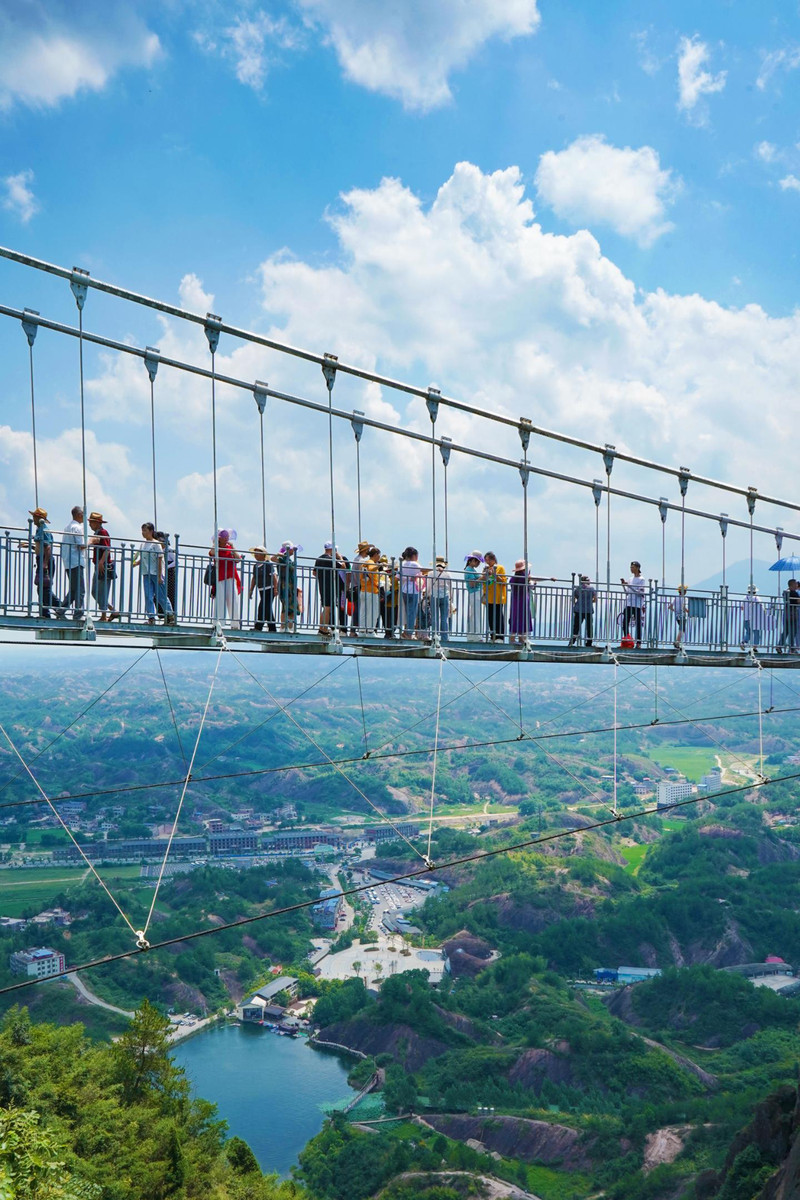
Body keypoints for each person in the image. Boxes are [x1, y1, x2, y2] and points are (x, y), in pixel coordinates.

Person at [134, 523, 175, 625]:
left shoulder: (156, 544)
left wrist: (160, 575)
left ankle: (170, 615)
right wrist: (136, 563)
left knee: (161, 596)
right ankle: (151, 617)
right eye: (142, 530)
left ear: (151, 531)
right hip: (146, 573)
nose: (143, 533)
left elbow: (159, 559)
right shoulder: (143, 544)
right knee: (148, 596)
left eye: (145, 530)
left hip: (156, 573)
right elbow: (143, 558)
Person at [29, 507, 61, 618]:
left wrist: (45, 563)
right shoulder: (40, 529)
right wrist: (31, 547)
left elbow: (48, 547)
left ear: (39, 518)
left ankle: (60, 607)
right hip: (42, 559)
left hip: (45, 560)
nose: (33, 518)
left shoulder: (43, 529)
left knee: (45, 589)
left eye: (35, 516)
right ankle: (45, 614)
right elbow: (42, 547)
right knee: (41, 589)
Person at [56, 506, 85, 620]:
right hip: (76, 562)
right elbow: (81, 545)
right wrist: (92, 541)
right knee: (80, 590)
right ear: (79, 515)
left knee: (73, 589)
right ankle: (78, 614)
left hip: (68, 562)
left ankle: (61, 610)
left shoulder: (67, 527)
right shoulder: (77, 528)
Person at [88, 511, 119, 622]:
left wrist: (101, 562)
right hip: (99, 564)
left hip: (103, 565)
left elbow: (107, 548)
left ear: (97, 523)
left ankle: (104, 615)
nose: (90, 524)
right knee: (95, 591)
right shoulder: (97, 533)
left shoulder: (103, 532)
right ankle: (112, 610)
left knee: (102, 591)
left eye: (91, 522)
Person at [208, 529, 241, 628]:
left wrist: (233, 548)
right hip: (220, 577)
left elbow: (238, 559)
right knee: (220, 601)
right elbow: (211, 553)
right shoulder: (216, 548)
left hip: (230, 576)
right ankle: (218, 623)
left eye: (227, 536)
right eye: (224, 536)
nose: (226, 538)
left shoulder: (230, 547)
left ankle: (235, 624)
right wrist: (215, 544)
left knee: (233, 600)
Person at [313, 541, 343, 636]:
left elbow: (314, 573)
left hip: (322, 585)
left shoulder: (319, 558)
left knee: (325, 607)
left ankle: (321, 628)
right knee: (327, 608)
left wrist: (322, 576)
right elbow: (343, 566)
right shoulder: (330, 559)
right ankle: (324, 629)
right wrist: (340, 557)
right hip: (329, 585)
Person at [249, 546, 277, 633]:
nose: (256, 554)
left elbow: (274, 576)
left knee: (262, 607)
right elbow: (254, 578)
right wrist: (251, 590)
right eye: (255, 553)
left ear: (263, 554)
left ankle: (259, 627)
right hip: (261, 589)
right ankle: (272, 628)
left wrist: (276, 589)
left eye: (258, 553)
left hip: (269, 589)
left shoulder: (268, 564)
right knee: (267, 608)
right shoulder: (255, 566)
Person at [399, 546, 425, 638]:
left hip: (404, 589)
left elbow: (398, 577)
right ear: (414, 555)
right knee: (412, 613)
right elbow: (424, 570)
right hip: (413, 590)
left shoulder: (402, 564)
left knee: (407, 612)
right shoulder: (414, 564)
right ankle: (409, 633)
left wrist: (408, 578)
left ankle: (406, 631)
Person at [482, 551, 507, 642]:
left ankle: (500, 637)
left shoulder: (500, 568)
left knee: (498, 617)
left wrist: (494, 574)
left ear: (493, 559)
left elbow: (503, 581)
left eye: (488, 560)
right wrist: (485, 574)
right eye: (486, 560)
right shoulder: (486, 569)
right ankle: (492, 636)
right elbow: (484, 581)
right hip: (489, 597)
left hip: (498, 597)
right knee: (490, 617)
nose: (487, 562)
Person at [427, 556, 453, 643]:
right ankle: (444, 637)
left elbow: (429, 586)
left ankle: (435, 636)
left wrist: (427, 595)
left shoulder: (431, 573)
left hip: (434, 595)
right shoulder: (447, 574)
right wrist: (451, 598)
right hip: (445, 595)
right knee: (444, 618)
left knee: (434, 617)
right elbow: (450, 587)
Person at [620, 561, 645, 648]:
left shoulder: (641, 579)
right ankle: (627, 639)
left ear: (638, 568)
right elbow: (627, 592)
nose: (631, 569)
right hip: (629, 603)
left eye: (633, 567)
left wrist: (629, 586)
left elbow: (640, 592)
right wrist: (624, 585)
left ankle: (639, 642)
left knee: (638, 623)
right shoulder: (630, 579)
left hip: (637, 604)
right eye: (630, 567)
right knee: (625, 622)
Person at [276, 540, 299, 632]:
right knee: (286, 606)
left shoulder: (289, 559)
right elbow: (273, 558)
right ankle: (283, 627)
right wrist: (279, 554)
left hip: (291, 586)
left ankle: (290, 627)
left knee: (293, 606)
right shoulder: (282, 558)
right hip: (285, 585)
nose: (293, 550)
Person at [359, 546, 382, 635]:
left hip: (363, 590)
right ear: (376, 554)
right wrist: (379, 566)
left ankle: (362, 631)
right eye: (379, 555)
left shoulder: (364, 564)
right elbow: (371, 570)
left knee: (363, 611)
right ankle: (370, 631)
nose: (379, 558)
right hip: (371, 591)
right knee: (373, 612)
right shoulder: (371, 563)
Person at [569, 574, 596, 646]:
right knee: (589, 626)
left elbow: (574, 598)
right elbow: (595, 599)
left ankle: (572, 641)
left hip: (578, 609)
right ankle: (589, 642)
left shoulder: (578, 588)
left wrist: (577, 602)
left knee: (576, 626)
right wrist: (590, 601)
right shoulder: (591, 588)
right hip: (588, 610)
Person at [155, 532, 176, 617]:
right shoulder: (159, 550)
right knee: (158, 594)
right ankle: (161, 614)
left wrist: (166, 567)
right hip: (161, 574)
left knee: (169, 594)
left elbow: (176, 562)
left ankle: (170, 614)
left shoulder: (169, 549)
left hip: (169, 574)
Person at [352, 540, 371, 634]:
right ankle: (356, 630)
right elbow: (363, 575)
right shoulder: (362, 561)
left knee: (357, 609)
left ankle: (353, 630)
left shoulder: (356, 559)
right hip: (360, 587)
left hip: (355, 586)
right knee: (360, 610)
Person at [464, 553, 484, 639]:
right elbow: (472, 584)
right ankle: (477, 636)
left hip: (475, 593)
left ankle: (472, 636)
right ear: (472, 560)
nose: (478, 564)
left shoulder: (471, 569)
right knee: (476, 615)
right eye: (477, 561)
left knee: (474, 615)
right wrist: (482, 577)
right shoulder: (469, 570)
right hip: (474, 593)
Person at [777, 578, 800, 654]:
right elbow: (798, 601)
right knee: (793, 631)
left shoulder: (786, 592)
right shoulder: (794, 593)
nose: (797, 585)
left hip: (786, 614)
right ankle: (792, 648)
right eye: (796, 584)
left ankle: (779, 646)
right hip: (793, 614)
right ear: (792, 585)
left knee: (786, 631)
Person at [741, 584, 763, 650]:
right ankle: (754, 647)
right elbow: (761, 607)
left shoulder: (745, 598)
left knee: (748, 632)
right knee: (756, 632)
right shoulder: (757, 598)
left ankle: (743, 642)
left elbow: (742, 608)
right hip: (755, 619)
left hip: (746, 618)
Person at [669, 584, 688, 649]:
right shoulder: (684, 598)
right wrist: (688, 611)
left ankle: (678, 642)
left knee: (681, 629)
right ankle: (677, 642)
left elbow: (670, 607)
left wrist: (675, 610)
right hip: (682, 615)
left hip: (677, 616)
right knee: (682, 629)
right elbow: (683, 607)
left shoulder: (675, 598)